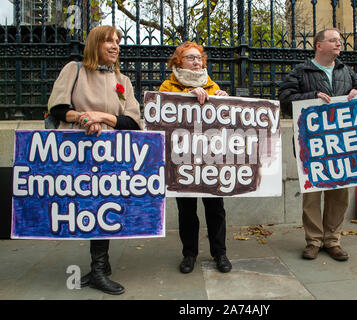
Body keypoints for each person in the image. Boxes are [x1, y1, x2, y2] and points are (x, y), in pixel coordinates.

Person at [47, 25, 141, 294]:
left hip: (112, 153)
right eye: (108, 41)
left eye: (117, 42)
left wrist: (101, 117)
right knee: (87, 205)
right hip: (79, 151)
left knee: (105, 204)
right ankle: (100, 267)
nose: (115, 46)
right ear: (94, 45)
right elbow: (58, 108)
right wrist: (82, 117)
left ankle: (100, 268)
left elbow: (133, 121)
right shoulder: (74, 70)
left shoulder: (122, 79)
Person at [278, 28, 357, 262]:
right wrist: (312, 97)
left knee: (339, 193)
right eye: (333, 40)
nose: (339, 44)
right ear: (319, 45)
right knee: (313, 195)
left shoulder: (346, 71)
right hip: (312, 145)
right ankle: (314, 241)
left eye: (339, 40)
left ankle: (333, 241)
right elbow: (285, 100)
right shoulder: (301, 70)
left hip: (341, 144)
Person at [159, 41, 232, 274]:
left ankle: (220, 253)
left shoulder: (212, 86)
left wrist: (225, 100)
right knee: (187, 211)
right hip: (182, 161)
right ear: (178, 62)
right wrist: (187, 98)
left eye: (199, 58)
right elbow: (160, 115)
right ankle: (189, 254)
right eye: (191, 58)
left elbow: (226, 122)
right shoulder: (167, 86)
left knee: (215, 208)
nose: (197, 62)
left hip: (210, 159)